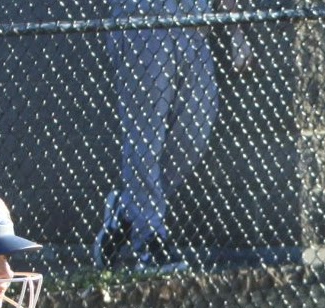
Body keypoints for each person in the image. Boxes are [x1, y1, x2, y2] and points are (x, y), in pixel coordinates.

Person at [93, 0, 252, 273]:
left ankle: (128, 210)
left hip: (194, 25)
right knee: (145, 136)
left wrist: (236, 31)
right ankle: (150, 240)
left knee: (195, 131)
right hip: (143, 20)